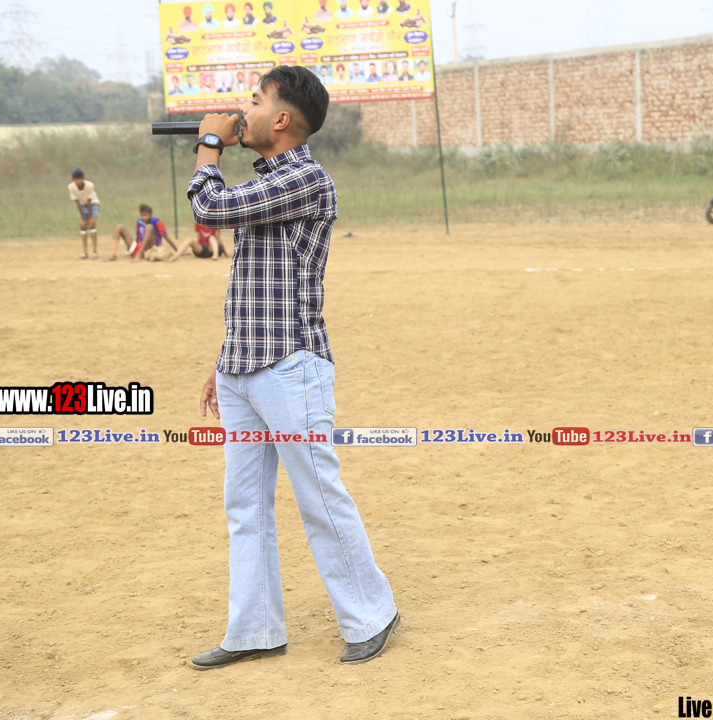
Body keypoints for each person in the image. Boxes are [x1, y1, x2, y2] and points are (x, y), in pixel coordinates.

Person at [187, 65, 399, 670]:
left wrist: (209, 142)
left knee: (318, 497)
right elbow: (256, 285)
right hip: (243, 365)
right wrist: (224, 359)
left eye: (254, 102)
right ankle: (254, 629)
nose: (243, 110)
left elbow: (210, 208)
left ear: (281, 119)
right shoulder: (270, 182)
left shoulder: (304, 179)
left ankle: (371, 614)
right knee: (245, 507)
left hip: (289, 367)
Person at [108, 204, 177, 262]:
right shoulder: (139, 222)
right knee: (119, 226)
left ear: (151, 214)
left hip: (149, 249)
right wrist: (128, 248)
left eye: (145, 215)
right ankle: (113, 255)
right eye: (142, 215)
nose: (143, 217)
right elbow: (138, 237)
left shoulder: (157, 222)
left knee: (149, 227)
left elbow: (167, 238)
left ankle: (138, 255)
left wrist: (177, 251)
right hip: (137, 247)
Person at [68, 169, 100, 259]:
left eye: (80, 178)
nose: (78, 181)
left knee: (92, 224)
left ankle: (95, 252)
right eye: (76, 179)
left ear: (83, 178)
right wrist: (82, 218)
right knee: (82, 225)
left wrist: (89, 217)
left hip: (93, 204)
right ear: (73, 180)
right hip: (82, 205)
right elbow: (77, 203)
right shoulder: (71, 187)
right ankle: (85, 252)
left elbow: (89, 201)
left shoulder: (90, 185)